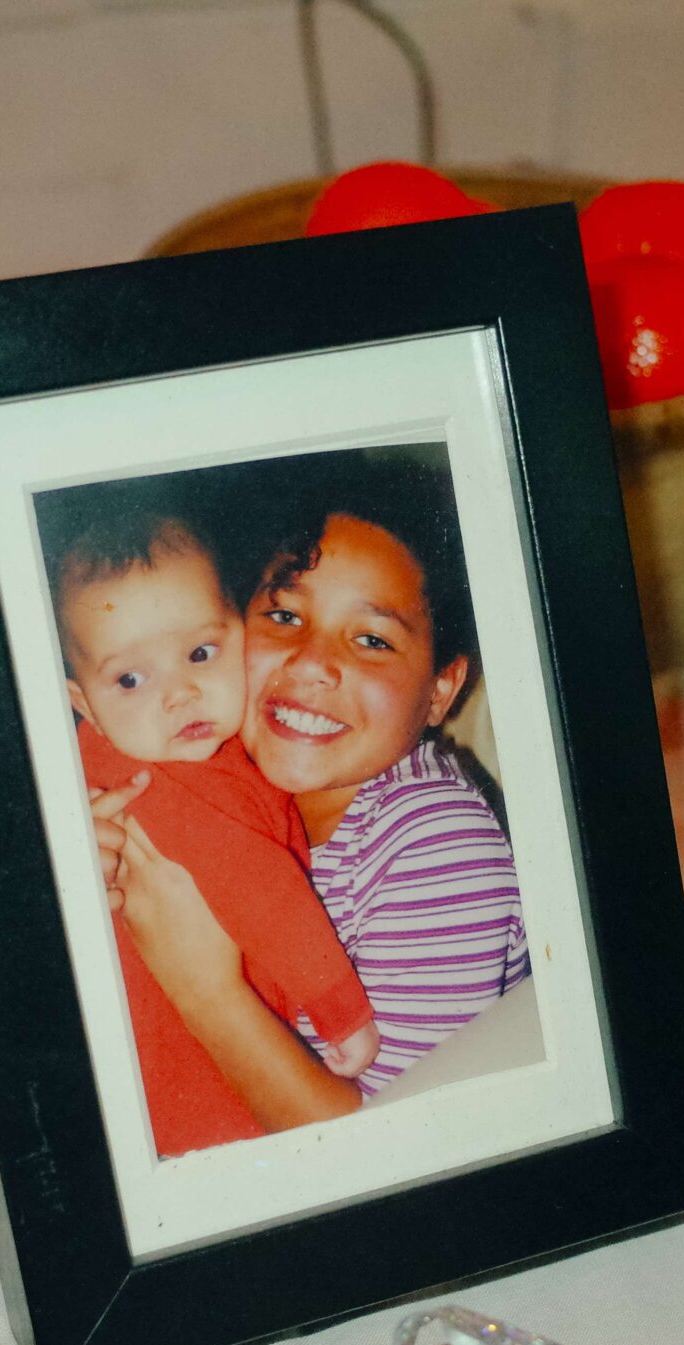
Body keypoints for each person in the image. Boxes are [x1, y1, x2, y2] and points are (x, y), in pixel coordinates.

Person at [98, 460, 528, 1132]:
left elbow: (394, 1157)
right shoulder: (208, 768)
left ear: (441, 690)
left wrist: (208, 992)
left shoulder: (438, 842)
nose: (311, 662)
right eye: (284, 614)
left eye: (371, 639)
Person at [51, 509, 379, 1157]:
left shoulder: (203, 759)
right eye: (130, 679)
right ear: (83, 704)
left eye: (201, 654)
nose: (180, 694)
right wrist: (340, 1008)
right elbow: (257, 886)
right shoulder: (145, 778)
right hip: (196, 1093)